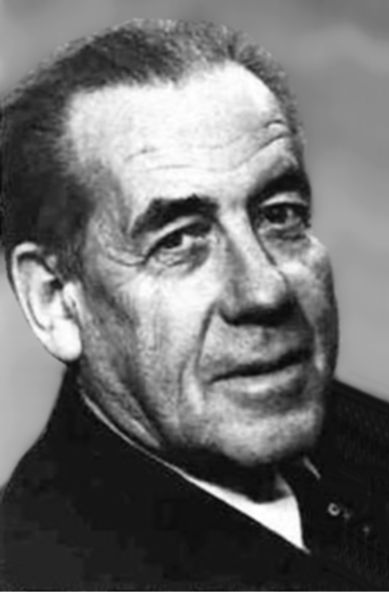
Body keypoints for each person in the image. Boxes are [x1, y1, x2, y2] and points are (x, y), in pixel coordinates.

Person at [0, 18, 367, 590]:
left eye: (280, 214)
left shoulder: (386, 443)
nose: (265, 291)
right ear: (55, 301)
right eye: (177, 241)